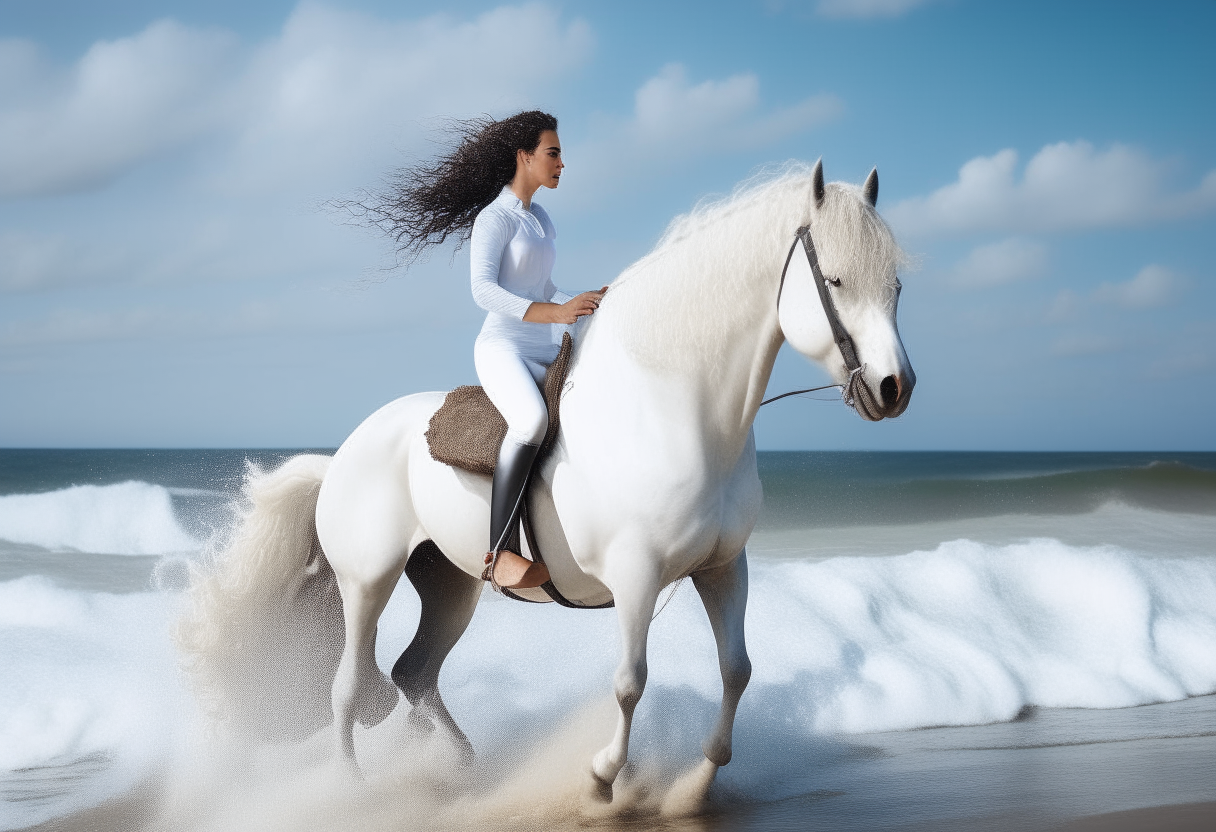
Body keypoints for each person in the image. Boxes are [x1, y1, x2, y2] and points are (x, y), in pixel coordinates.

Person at [358, 111, 605, 590]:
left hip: (541, 349)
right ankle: (501, 555)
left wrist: (583, 302)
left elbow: (545, 285)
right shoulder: (495, 218)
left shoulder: (542, 219)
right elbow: (483, 291)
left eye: (561, 155)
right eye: (552, 154)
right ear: (524, 157)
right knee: (530, 422)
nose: (561, 163)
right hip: (502, 349)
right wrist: (556, 313)